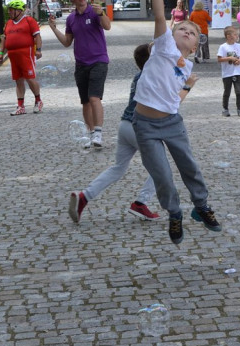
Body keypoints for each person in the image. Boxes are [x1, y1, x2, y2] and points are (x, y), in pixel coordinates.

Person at [133, 0, 220, 245]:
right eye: (181, 28)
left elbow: (174, 101)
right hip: (144, 124)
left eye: (192, 33)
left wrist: (187, 87)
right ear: (171, 35)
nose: (185, 31)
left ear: (194, 46)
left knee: (189, 167)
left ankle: (201, 206)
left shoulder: (186, 67)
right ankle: (174, 213)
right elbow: (160, 15)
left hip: (171, 123)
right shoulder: (162, 47)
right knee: (162, 175)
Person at [68, 43, 174, 224]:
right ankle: (141, 202)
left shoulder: (138, 75)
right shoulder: (155, 76)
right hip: (140, 128)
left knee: (118, 168)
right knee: (162, 167)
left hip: (125, 126)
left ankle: (84, 196)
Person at [49, 0, 112, 148]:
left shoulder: (95, 11)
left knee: (94, 97)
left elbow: (107, 26)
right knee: (85, 102)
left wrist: (102, 13)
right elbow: (67, 42)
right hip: (81, 64)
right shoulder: (71, 19)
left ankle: (98, 133)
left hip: (99, 60)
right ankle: (91, 134)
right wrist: (54, 29)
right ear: (72, 0)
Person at [3, 0, 43, 116]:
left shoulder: (29, 21)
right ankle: (20, 106)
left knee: (30, 78)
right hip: (12, 54)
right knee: (18, 80)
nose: (9, 12)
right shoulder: (8, 23)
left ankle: (38, 100)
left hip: (26, 53)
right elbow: (5, 39)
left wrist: (39, 50)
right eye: (9, 10)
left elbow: (37, 36)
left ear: (19, 11)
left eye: (11, 10)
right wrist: (1, 53)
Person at [217, 26, 240, 117]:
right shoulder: (223, 47)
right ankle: (225, 108)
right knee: (227, 91)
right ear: (228, 36)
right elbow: (219, 59)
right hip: (227, 73)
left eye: (236, 34)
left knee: (239, 91)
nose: (236, 36)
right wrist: (229, 58)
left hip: (237, 73)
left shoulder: (239, 46)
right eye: (234, 34)